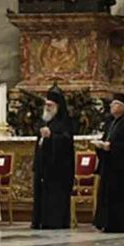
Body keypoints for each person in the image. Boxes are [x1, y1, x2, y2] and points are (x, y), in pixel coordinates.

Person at [31, 85, 76, 229]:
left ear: (57, 106)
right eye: (46, 105)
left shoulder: (64, 122)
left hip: (58, 168)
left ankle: (54, 221)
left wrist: (51, 137)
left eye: (50, 105)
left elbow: (66, 141)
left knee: (55, 195)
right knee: (41, 193)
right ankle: (40, 220)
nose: (47, 108)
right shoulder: (45, 121)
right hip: (43, 165)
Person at [93, 93, 124, 233]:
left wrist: (111, 147)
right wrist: (100, 146)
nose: (112, 106)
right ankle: (107, 222)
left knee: (120, 197)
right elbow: (106, 139)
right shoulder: (110, 123)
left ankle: (120, 224)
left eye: (116, 104)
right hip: (109, 167)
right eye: (112, 104)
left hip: (122, 170)